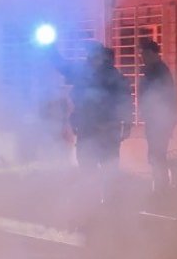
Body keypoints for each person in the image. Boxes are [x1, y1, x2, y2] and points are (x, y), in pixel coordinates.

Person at [52, 42, 132, 172]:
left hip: (102, 129)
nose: (87, 58)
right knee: (93, 167)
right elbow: (63, 67)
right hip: (92, 128)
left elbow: (125, 101)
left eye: (90, 55)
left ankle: (103, 185)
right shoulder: (88, 74)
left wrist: (127, 123)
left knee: (104, 168)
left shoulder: (110, 77)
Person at [138, 39, 177, 193]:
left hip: (159, 122)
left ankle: (161, 189)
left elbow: (165, 97)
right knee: (156, 155)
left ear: (153, 53)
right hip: (156, 121)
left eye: (145, 53)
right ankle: (160, 187)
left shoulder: (159, 71)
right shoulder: (154, 71)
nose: (143, 57)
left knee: (157, 155)